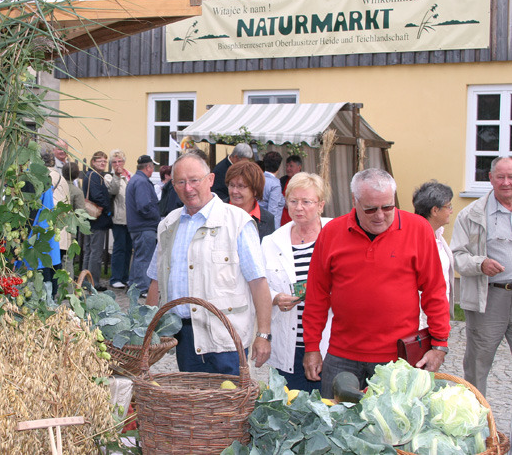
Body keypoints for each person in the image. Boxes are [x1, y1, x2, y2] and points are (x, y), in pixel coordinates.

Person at [302, 168, 450, 398]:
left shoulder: (418, 229)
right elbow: (316, 295)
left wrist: (439, 345)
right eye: (370, 208)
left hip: (397, 359)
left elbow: (435, 291)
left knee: (391, 430)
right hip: (342, 356)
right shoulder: (332, 232)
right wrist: (311, 348)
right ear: (355, 201)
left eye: (387, 207)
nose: (380, 215)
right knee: (334, 427)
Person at [146, 153, 272, 375]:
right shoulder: (167, 225)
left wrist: (263, 335)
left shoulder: (237, 222)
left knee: (230, 404)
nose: (188, 188)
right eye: (181, 182)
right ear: (172, 185)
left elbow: (258, 282)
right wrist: (146, 331)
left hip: (227, 338)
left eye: (195, 180)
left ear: (211, 179)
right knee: (194, 405)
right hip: (183, 338)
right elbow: (157, 280)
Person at [450, 156, 512, 395]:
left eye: (511, 177)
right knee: (477, 366)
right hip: (488, 301)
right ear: (491, 179)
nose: (506, 182)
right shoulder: (471, 214)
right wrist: (480, 264)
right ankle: (477, 427)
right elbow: (456, 256)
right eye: (500, 177)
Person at [262, 172, 332, 392]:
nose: (299, 207)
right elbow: (260, 285)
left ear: (320, 205)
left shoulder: (336, 235)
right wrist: (275, 297)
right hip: (288, 344)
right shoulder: (272, 242)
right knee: (290, 407)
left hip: (329, 342)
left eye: (306, 202)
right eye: (293, 201)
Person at [412, 181, 455, 309]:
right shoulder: (417, 240)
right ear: (435, 210)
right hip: (424, 317)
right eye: (449, 206)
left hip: (439, 310)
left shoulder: (437, 234)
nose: (451, 211)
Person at [126, 155, 160, 295]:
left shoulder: (135, 179)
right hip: (144, 226)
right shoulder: (142, 182)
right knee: (144, 257)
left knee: (139, 256)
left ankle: (133, 285)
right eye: (152, 167)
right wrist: (157, 217)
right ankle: (141, 287)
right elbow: (144, 206)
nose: (153, 170)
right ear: (148, 167)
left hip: (137, 225)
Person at [81, 151, 111, 289]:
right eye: (100, 161)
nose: (103, 163)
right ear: (93, 162)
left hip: (89, 219)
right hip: (96, 219)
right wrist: (108, 208)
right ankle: (93, 283)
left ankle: (85, 280)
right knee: (95, 253)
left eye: (105, 161)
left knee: (88, 251)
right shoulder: (94, 176)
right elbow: (98, 196)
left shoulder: (90, 175)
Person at [225, 160, 275, 240]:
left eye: (240, 186)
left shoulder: (267, 219)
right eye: (231, 185)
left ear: (255, 190)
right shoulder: (217, 210)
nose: (234, 191)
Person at [105, 150, 132, 289]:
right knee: (119, 248)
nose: (117, 164)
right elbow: (113, 191)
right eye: (114, 162)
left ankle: (125, 277)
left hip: (130, 218)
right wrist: (117, 175)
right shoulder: (110, 177)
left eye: (119, 161)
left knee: (128, 249)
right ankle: (115, 277)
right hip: (119, 218)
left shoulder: (129, 176)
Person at [62, 162, 85, 275]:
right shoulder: (77, 192)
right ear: (76, 175)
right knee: (67, 259)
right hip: (69, 229)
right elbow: (81, 213)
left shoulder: (57, 188)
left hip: (56, 226)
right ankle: (68, 290)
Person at [259, 151, 285, 222]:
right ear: (278, 166)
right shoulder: (275, 184)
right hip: (270, 225)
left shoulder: (257, 179)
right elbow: (272, 210)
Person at [279, 155, 303, 226]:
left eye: (291, 166)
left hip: (297, 221)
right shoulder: (282, 180)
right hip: (283, 221)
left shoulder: (304, 181)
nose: (288, 168)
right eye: (287, 166)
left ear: (299, 167)